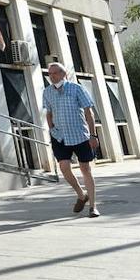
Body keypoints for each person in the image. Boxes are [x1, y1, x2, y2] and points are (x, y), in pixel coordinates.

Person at [41, 62, 101, 217]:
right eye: (50, 73)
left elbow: (89, 112)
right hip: (59, 136)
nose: (52, 76)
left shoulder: (76, 88)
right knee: (64, 167)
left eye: (55, 73)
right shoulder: (47, 92)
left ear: (63, 74)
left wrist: (93, 135)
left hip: (79, 134)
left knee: (85, 169)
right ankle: (81, 195)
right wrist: (51, 128)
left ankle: (93, 207)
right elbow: (49, 112)